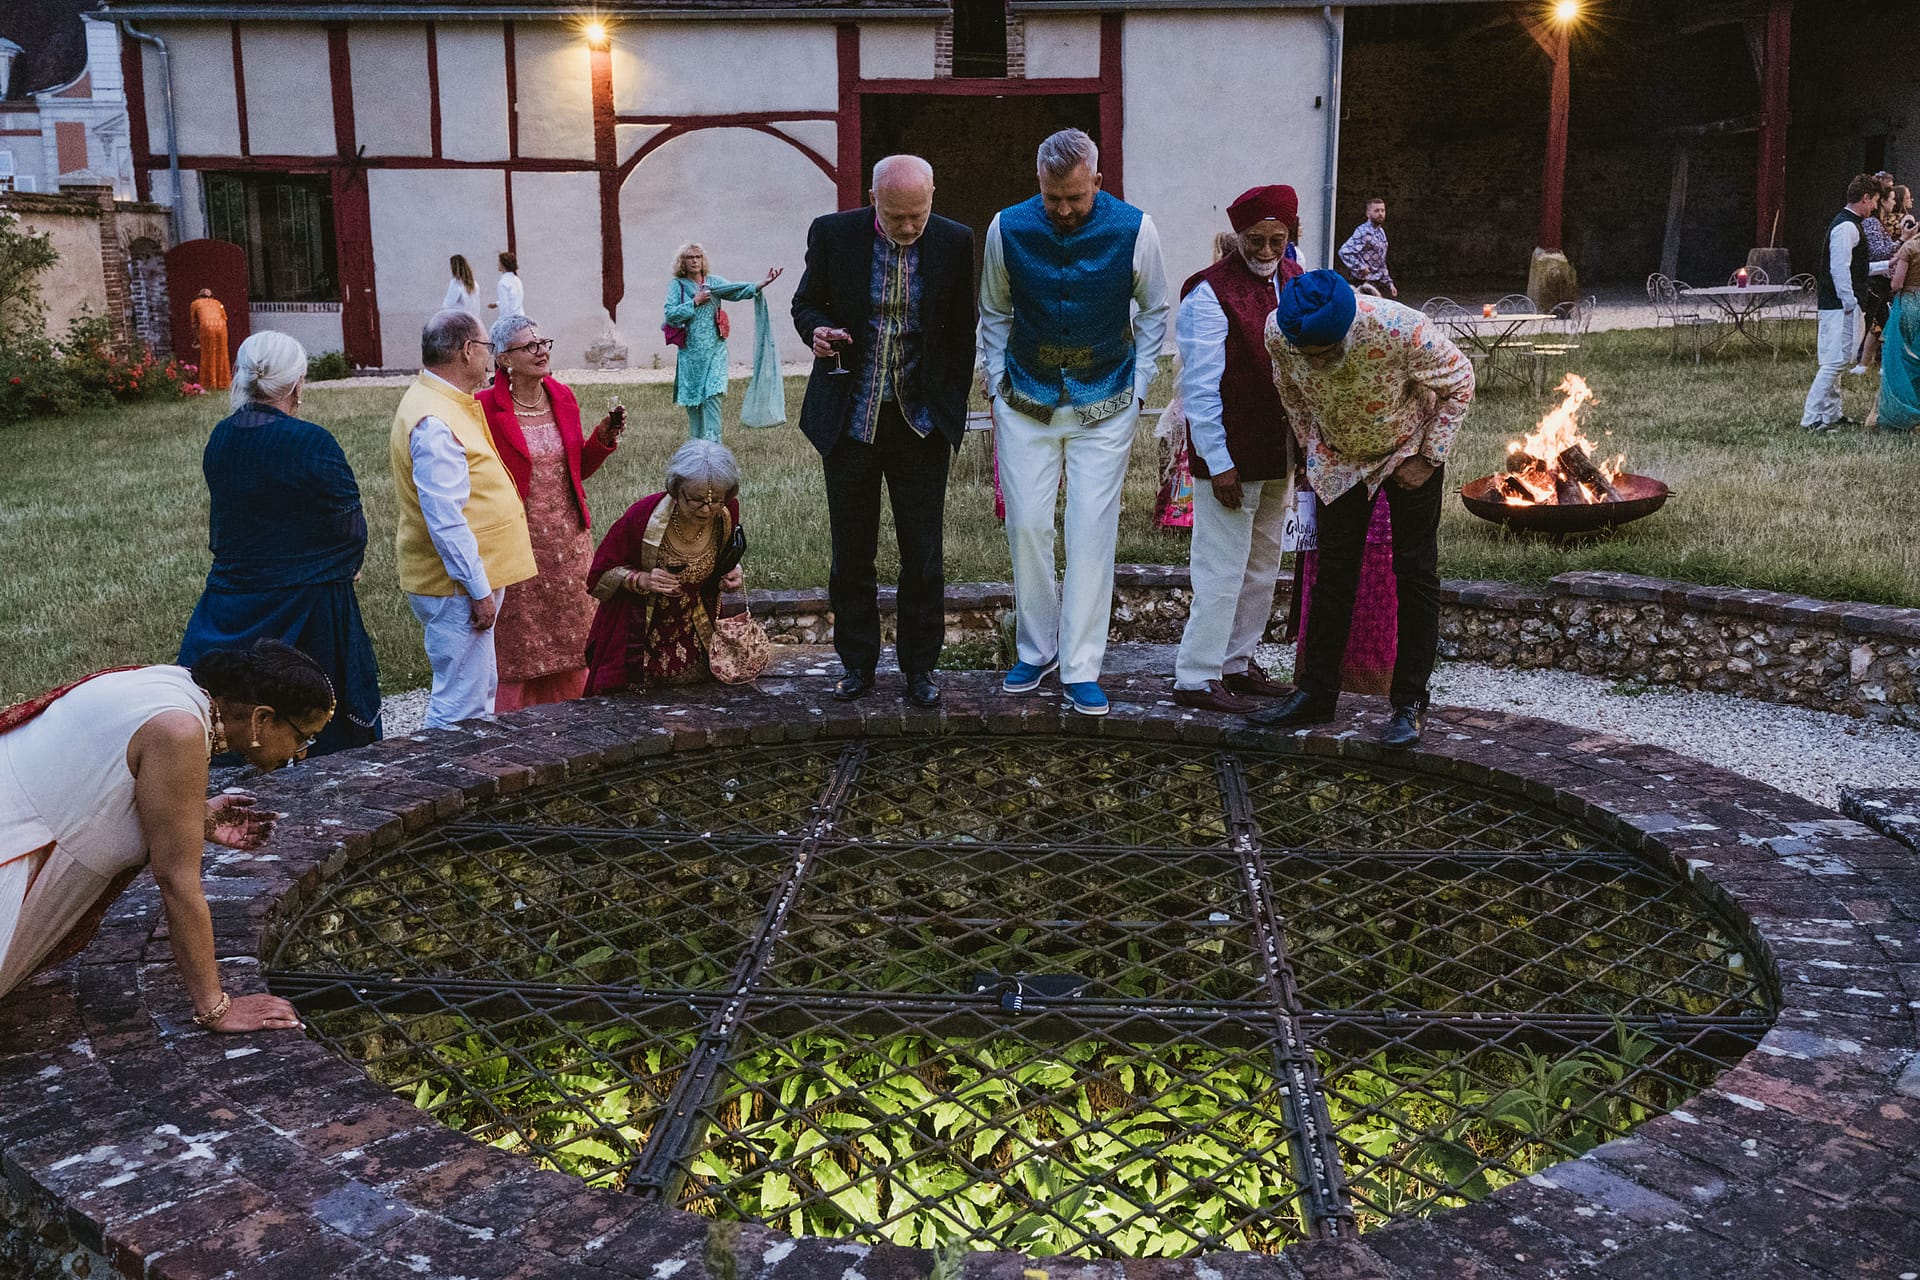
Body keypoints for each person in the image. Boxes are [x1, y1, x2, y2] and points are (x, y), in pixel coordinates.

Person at [0, 639, 326, 1031]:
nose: (301, 752)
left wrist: (193, 816)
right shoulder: (180, 730)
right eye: (303, 736)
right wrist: (216, 1007)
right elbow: (176, 880)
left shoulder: (171, 685)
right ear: (261, 719)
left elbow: (90, 784)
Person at [978, 128, 1170, 716]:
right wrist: (995, 386)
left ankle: (1082, 665)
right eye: (1052, 197)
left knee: (1090, 530)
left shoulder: (1136, 229)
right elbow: (994, 310)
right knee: (1028, 525)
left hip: (1108, 401)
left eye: (1076, 199)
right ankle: (1036, 651)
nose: (1062, 210)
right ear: (1039, 183)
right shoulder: (1005, 227)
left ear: (1098, 182)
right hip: (1025, 399)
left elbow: (1156, 308)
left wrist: (1139, 391)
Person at [1250, 271, 1474, 748]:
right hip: (1339, 457)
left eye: (1329, 352)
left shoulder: (1399, 328)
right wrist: (1313, 450)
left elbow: (1461, 380)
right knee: (1332, 576)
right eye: (1311, 355)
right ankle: (1316, 691)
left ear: (1349, 326)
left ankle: (1409, 703)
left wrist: (1429, 456)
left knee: (1414, 574)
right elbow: (1291, 392)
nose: (1321, 363)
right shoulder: (1278, 333)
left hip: (1406, 449)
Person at [790, 155, 977, 708]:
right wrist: (816, 331)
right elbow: (806, 303)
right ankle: (856, 665)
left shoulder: (955, 240)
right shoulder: (832, 234)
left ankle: (921, 669)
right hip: (851, 419)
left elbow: (962, 331)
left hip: (921, 424)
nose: (909, 228)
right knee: (853, 551)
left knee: (922, 553)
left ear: (933, 197)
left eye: (918, 215)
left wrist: (950, 406)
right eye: (897, 217)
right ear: (874, 201)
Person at [178, 331, 382, 757]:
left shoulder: (222, 437)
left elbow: (235, 521)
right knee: (325, 721)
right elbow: (349, 530)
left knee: (226, 706)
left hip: (235, 598)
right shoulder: (312, 442)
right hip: (309, 603)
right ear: (296, 383)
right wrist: (344, 565)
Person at [1170, 185, 1306, 714]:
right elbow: (1200, 390)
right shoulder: (1209, 291)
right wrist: (1218, 462)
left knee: (1263, 565)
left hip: (1281, 452)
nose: (1267, 251)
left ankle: (1236, 662)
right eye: (1255, 240)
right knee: (1221, 567)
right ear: (1237, 237)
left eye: (1278, 240)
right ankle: (1196, 675)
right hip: (1231, 454)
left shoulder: (1299, 281)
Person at [389, 310, 537, 730]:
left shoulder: (440, 401)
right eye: (488, 349)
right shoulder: (435, 419)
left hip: (464, 579)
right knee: (460, 701)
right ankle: (450, 780)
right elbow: (446, 520)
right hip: (456, 583)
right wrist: (477, 589)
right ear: (469, 351)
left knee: (478, 685)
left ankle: (472, 776)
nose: (491, 359)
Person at [475, 314, 626, 711]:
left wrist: (603, 438)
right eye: (530, 346)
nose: (542, 351)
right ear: (504, 359)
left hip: (568, 540)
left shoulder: (562, 396)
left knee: (575, 638)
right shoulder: (484, 408)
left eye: (544, 343)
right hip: (518, 541)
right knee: (520, 645)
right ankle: (515, 728)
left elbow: (576, 470)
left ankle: (577, 722)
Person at [583, 440, 747, 693]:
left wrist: (732, 571)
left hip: (697, 642)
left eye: (716, 501)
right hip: (638, 645)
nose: (706, 509)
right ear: (676, 488)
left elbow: (723, 559)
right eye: (696, 500)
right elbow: (597, 578)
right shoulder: (642, 518)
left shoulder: (725, 513)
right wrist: (641, 580)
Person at [665, 244, 784, 441]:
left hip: (716, 352)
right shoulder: (677, 286)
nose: (695, 260)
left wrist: (760, 284)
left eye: (698, 257)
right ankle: (696, 448)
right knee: (695, 405)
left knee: (713, 395)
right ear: (682, 263)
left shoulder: (713, 282)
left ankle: (714, 448)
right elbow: (670, 314)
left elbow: (736, 290)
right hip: (691, 356)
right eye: (690, 257)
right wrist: (695, 302)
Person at [1800, 174, 1880, 433]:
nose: (1875, 207)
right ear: (1865, 198)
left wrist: (1884, 268)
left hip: (1835, 303)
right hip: (1840, 305)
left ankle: (1832, 414)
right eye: (1874, 201)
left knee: (1834, 360)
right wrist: (1850, 302)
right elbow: (1839, 268)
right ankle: (1811, 417)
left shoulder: (1846, 224)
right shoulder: (1847, 227)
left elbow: (1856, 267)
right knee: (1835, 361)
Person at [1876, 229, 1920, 432]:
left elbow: (1897, 284)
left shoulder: (1910, 248)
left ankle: (1903, 410)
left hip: (1910, 303)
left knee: (1903, 357)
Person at [1337, 197, 1396, 299]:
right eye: (1376, 211)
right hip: (1363, 283)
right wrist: (1360, 266)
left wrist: (1389, 283)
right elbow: (1344, 251)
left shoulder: (1381, 233)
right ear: (1368, 213)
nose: (1380, 214)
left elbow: (1381, 261)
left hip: (1377, 283)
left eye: (1383, 210)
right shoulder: (1363, 231)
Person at [189, 288, 232, 391]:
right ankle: (224, 383)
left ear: (199, 296)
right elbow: (224, 318)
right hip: (221, 328)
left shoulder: (195, 303)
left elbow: (194, 324)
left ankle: (209, 384)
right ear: (211, 296)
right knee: (222, 354)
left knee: (208, 354)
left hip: (206, 327)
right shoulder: (218, 303)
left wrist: (196, 338)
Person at [490, 251, 524, 319]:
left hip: (510, 321)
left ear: (503, 264)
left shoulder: (503, 283)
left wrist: (502, 324)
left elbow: (504, 307)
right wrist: (496, 304)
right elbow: (513, 299)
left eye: (499, 262)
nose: (497, 264)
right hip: (520, 318)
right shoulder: (517, 280)